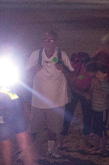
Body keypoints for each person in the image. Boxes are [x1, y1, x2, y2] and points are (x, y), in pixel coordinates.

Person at [0, 73, 43, 165]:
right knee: (6, 145)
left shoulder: (12, 77)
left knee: (24, 143)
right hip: (0, 113)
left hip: (16, 112)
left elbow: (19, 94)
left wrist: (26, 109)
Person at [25, 30, 75, 158]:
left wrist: (63, 68)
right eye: (46, 40)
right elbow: (24, 71)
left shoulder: (61, 55)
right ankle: (25, 152)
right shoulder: (36, 55)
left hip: (56, 99)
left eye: (51, 40)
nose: (48, 42)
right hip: (38, 99)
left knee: (53, 128)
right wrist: (33, 69)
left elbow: (73, 73)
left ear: (56, 42)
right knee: (32, 128)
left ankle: (51, 150)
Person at [64, 51, 95, 148]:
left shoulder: (86, 70)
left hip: (83, 91)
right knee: (69, 115)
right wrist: (86, 94)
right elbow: (72, 87)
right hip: (77, 91)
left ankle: (63, 142)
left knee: (85, 116)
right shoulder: (74, 71)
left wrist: (88, 93)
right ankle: (63, 140)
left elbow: (92, 82)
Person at [88, 62, 109, 154]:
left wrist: (97, 85)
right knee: (95, 129)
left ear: (105, 75)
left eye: (99, 74)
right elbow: (91, 92)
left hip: (102, 110)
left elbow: (102, 95)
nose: (96, 76)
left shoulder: (105, 84)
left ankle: (103, 148)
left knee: (102, 130)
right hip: (95, 109)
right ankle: (96, 146)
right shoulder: (97, 82)